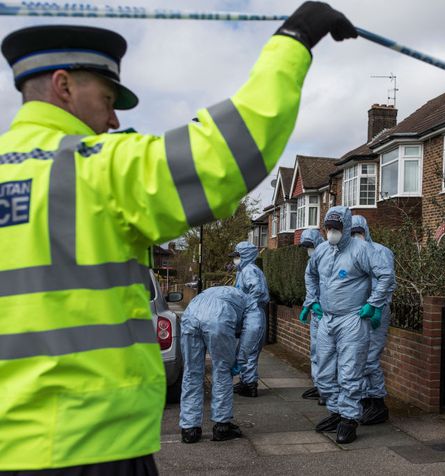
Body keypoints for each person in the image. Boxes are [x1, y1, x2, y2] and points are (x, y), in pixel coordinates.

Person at [0, 3, 356, 472]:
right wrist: (296, 39)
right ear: (64, 85)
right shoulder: (93, 167)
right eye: (108, 100)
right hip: (89, 442)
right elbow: (222, 154)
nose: (112, 121)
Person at [303, 206, 394, 444]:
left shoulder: (361, 250)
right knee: (323, 371)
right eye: (329, 227)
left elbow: (385, 275)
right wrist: (312, 300)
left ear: (345, 227)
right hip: (327, 318)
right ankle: (336, 411)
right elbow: (310, 274)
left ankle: (349, 418)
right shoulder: (322, 250)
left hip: (352, 319)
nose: (332, 232)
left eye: (337, 227)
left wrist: (374, 304)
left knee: (350, 371)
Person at [179, 286, 247, 444]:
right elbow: (253, 330)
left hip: (191, 313)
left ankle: (189, 429)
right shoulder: (250, 303)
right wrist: (240, 358)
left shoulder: (220, 291)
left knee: (191, 372)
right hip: (218, 317)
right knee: (222, 371)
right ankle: (222, 426)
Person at [351, 215, 396, 425]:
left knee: (370, 358)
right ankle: (367, 400)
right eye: (351, 233)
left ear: (365, 231)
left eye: (357, 232)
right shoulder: (349, 253)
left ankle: (378, 403)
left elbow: (387, 282)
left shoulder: (380, 251)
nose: (355, 237)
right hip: (358, 312)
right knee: (358, 358)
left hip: (376, 310)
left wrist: (377, 306)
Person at [231, 241, 270, 397]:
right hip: (250, 315)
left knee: (248, 352)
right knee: (245, 350)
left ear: (245, 255)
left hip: (253, 316)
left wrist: (246, 306)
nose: (235, 259)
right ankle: (246, 381)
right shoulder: (243, 271)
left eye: (237, 256)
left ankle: (250, 385)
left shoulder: (249, 270)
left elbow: (257, 291)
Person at [298, 227, 326, 404]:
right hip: (318, 314)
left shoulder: (329, 258)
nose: (309, 250)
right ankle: (320, 385)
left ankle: (328, 389)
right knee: (315, 351)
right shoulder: (312, 263)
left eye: (311, 246)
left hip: (331, 315)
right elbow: (311, 286)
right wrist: (309, 305)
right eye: (306, 246)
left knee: (328, 353)